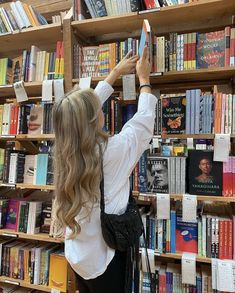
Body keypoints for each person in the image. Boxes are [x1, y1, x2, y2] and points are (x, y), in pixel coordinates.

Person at [52, 46, 157, 293]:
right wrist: (144, 80)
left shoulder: (64, 149)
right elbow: (143, 125)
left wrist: (115, 73)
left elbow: (78, 111)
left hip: (78, 255)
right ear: (94, 118)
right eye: (98, 109)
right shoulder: (110, 151)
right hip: (105, 258)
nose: (101, 109)